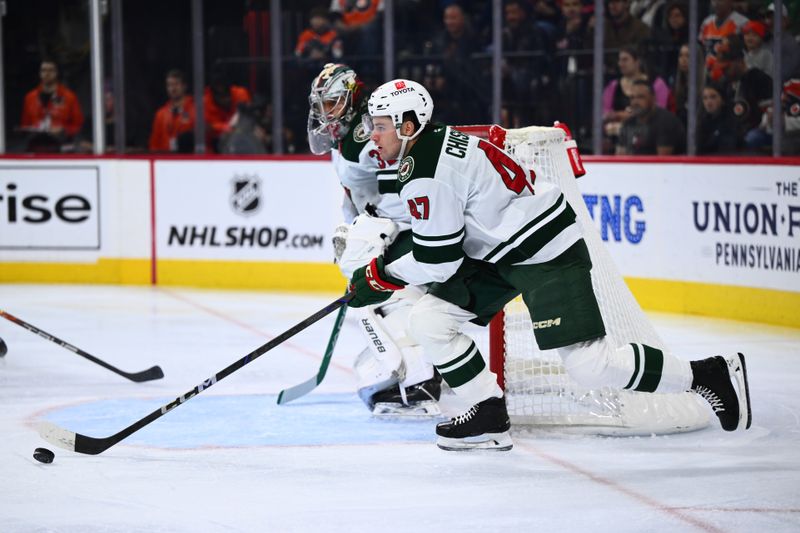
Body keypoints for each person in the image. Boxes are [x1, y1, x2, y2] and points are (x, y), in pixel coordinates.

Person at [349, 78, 751, 450]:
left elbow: (439, 263)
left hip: (543, 250)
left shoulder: (426, 171)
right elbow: (441, 239)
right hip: (502, 249)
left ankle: (707, 374)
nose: (372, 134)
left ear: (407, 125)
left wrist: (381, 277)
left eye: (380, 125)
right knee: (429, 321)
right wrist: (388, 268)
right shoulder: (431, 143)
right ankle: (488, 414)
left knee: (591, 367)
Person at [306, 63, 442, 416]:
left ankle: (420, 378)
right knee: (383, 291)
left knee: (380, 292)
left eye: (333, 102)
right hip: (400, 225)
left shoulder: (368, 135)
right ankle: (426, 366)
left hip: (411, 229)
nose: (325, 112)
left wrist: (369, 235)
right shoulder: (351, 135)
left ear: (352, 97)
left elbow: (406, 179)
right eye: (321, 104)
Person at [20, 59, 84, 152]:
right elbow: (24, 125)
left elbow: (78, 125)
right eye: (44, 70)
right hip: (35, 148)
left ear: (57, 73)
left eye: (51, 70)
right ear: (39, 73)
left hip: (61, 148)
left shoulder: (69, 97)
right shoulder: (30, 97)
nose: (47, 73)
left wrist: (63, 130)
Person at [617, 79, 685, 154]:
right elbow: (620, 158)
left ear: (653, 98)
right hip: (635, 165)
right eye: (632, 98)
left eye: (640, 97)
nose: (635, 102)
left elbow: (663, 162)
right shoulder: (628, 124)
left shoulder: (666, 122)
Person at [148, 69, 196, 153]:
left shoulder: (196, 109)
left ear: (184, 86)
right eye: (169, 85)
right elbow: (154, 145)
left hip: (189, 160)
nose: (173, 88)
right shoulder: (161, 114)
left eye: (176, 84)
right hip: (165, 161)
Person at [203, 73, 251, 153]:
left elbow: (247, 120)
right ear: (213, 96)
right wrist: (228, 128)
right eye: (221, 97)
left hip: (240, 139)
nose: (225, 100)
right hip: (214, 143)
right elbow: (207, 128)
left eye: (226, 95)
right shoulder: (205, 101)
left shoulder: (240, 94)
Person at [697, 82, 739, 154]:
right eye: (705, 98)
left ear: (722, 100)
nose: (708, 102)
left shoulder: (731, 121)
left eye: (713, 97)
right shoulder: (702, 121)